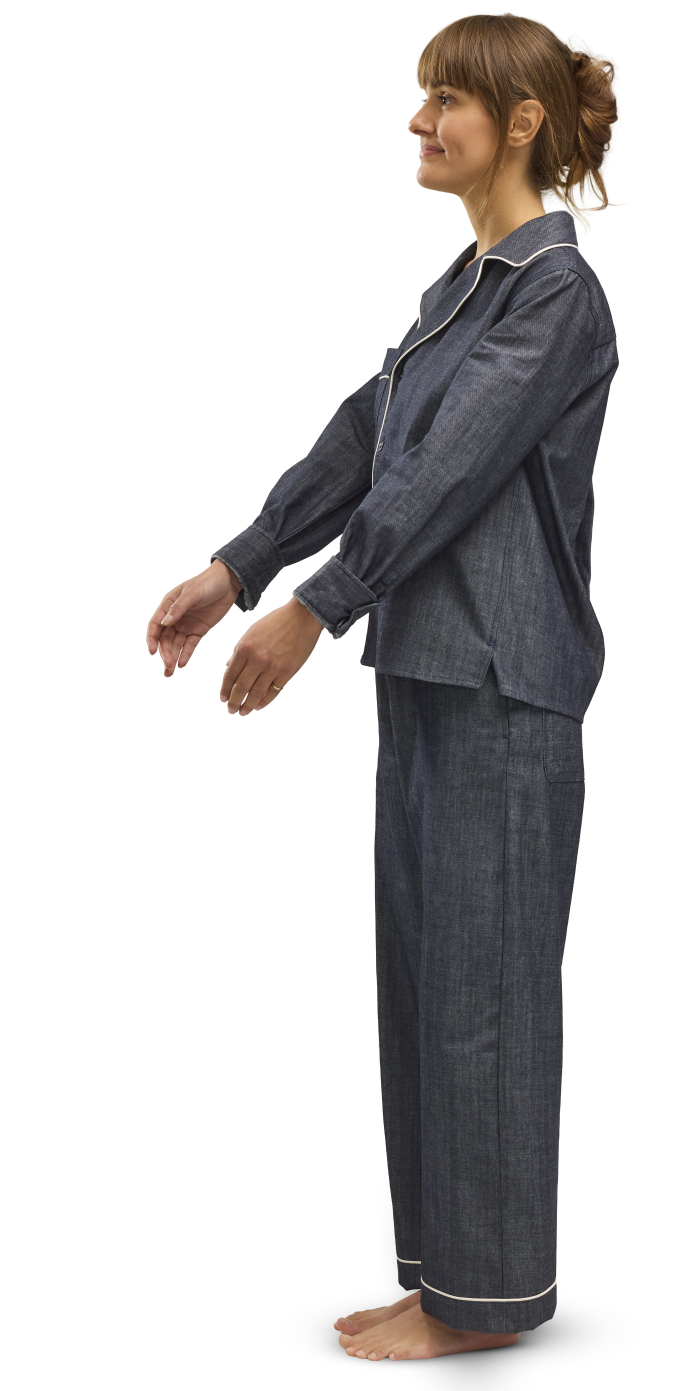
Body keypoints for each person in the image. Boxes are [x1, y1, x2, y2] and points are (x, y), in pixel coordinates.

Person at [146, 13, 624, 1362]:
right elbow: (372, 434)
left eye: (444, 100)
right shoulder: (464, 286)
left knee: (485, 994)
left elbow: (449, 469)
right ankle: (447, 1280)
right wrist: (239, 567)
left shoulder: (555, 294)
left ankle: (485, 1308)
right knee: (425, 984)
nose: (418, 122)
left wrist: (316, 607)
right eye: (420, 98)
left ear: (520, 124)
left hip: (503, 685)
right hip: (428, 674)